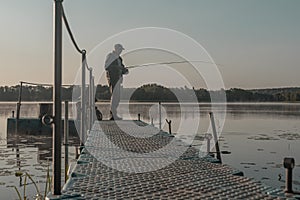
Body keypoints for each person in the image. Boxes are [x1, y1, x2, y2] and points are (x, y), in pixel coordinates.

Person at [105, 44, 129, 120]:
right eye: (120, 49)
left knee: (117, 97)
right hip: (112, 78)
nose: (121, 51)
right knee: (115, 96)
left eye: (122, 49)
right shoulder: (110, 56)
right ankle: (112, 115)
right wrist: (117, 67)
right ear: (116, 49)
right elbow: (106, 66)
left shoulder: (120, 59)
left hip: (119, 79)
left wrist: (125, 70)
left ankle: (114, 114)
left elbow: (122, 68)